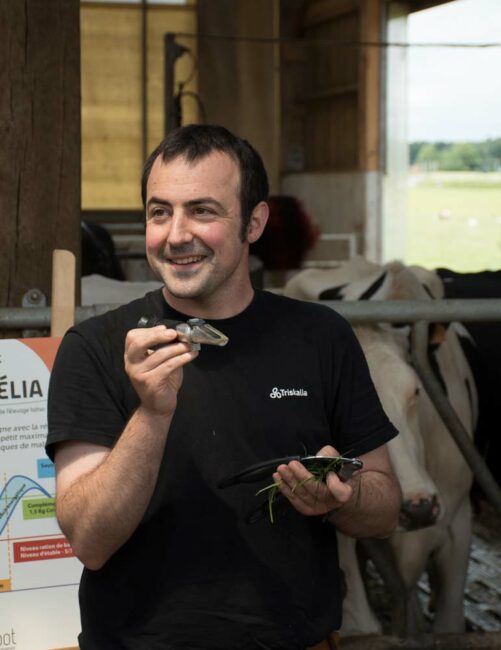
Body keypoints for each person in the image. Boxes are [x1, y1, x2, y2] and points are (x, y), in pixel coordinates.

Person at [46, 124, 401, 650]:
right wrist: (152, 413)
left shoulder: (321, 337)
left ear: (253, 222)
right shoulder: (96, 347)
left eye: (203, 211)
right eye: (159, 211)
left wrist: (341, 497)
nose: (175, 234)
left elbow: (386, 506)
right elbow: (90, 541)